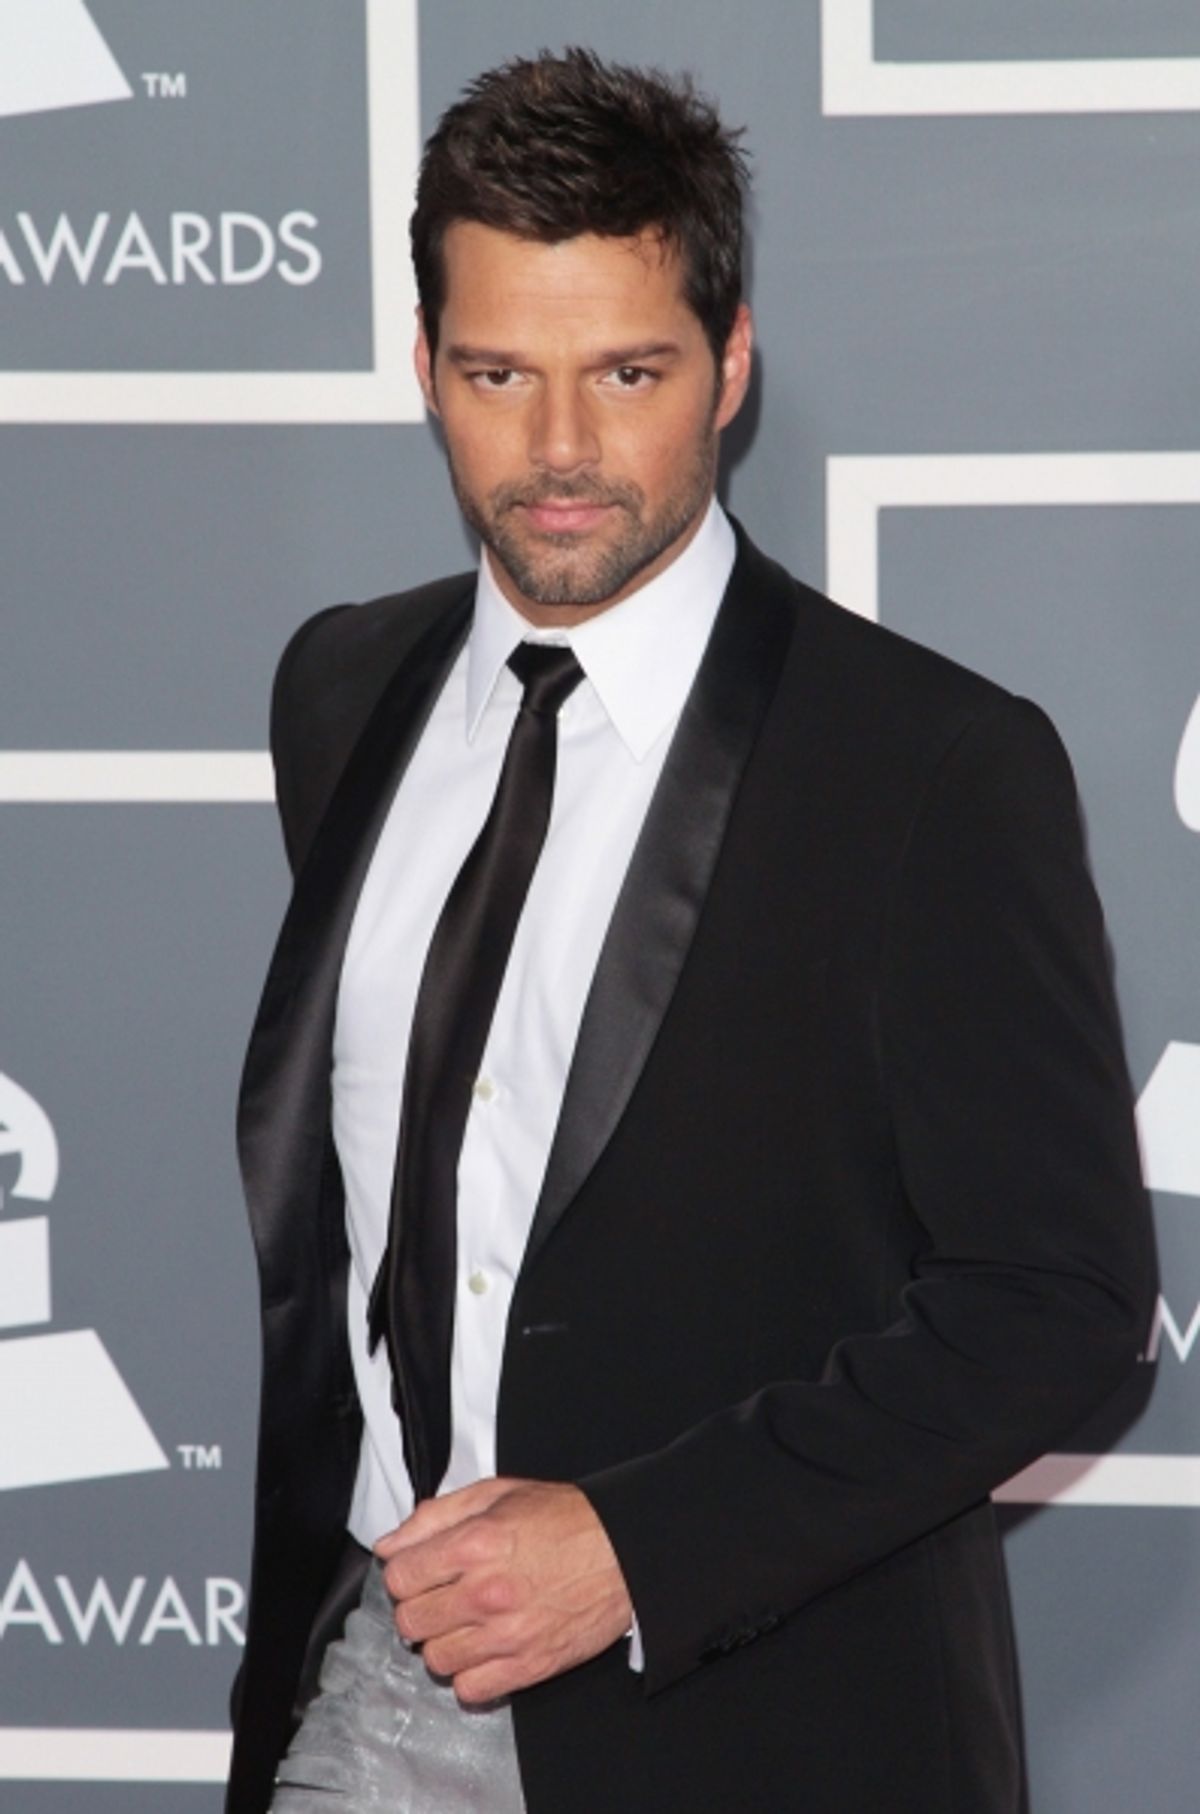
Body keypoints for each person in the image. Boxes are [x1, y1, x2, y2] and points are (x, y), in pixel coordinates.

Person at [227, 48, 1153, 1814]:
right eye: (500, 372)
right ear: (424, 369)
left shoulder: (932, 763)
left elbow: (1060, 1300)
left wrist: (635, 1545)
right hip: (370, 1680)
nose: (562, 449)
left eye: (627, 372)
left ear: (730, 367)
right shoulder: (342, 691)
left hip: (758, 1713)